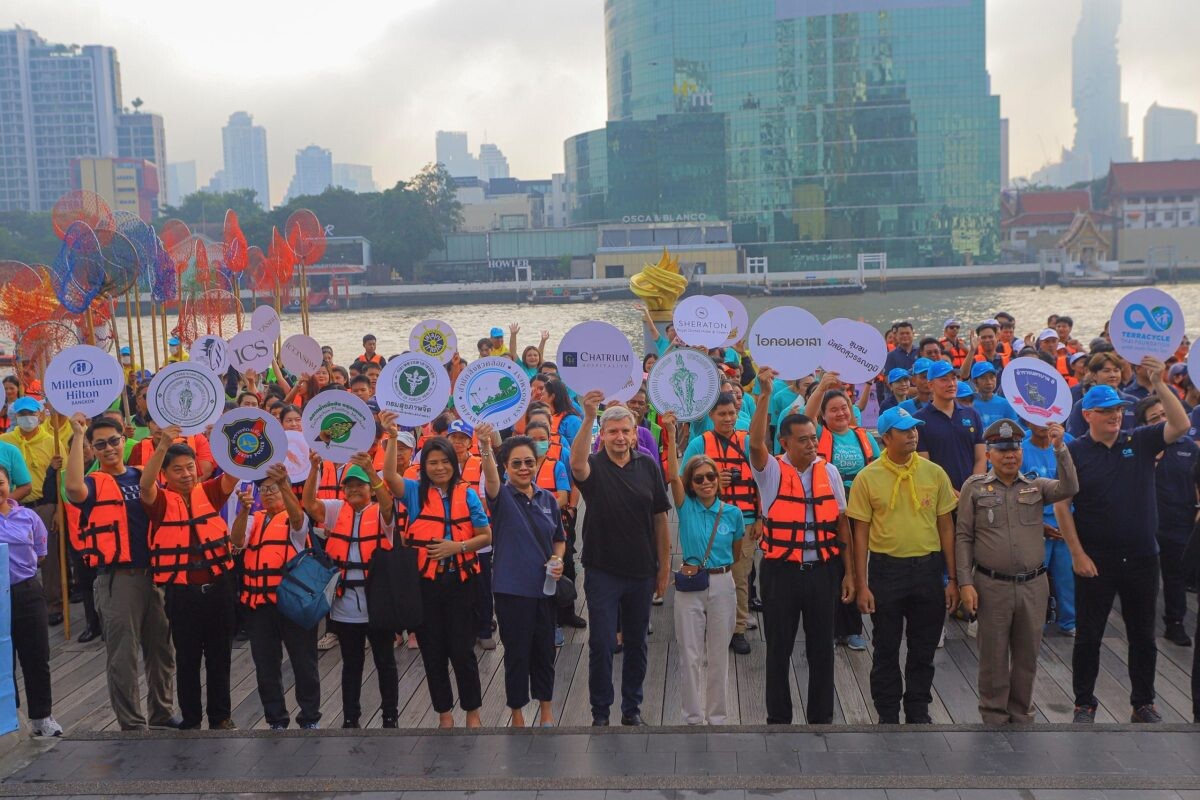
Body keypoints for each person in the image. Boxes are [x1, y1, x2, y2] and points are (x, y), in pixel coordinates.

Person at [1059, 358, 1190, 724]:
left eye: (1118, 409)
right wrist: (1077, 553)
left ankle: (1143, 703)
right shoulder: (1075, 452)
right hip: (1096, 559)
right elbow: (1062, 506)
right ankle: (1084, 703)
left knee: (1143, 637)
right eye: (1106, 411)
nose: (1115, 415)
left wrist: (1159, 383)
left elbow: (1181, 424)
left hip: (1143, 557)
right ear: (1088, 415)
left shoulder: (1141, 440)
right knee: (1088, 637)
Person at [749, 368, 854, 724]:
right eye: (803, 440)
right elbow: (754, 444)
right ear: (785, 443)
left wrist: (850, 574)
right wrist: (763, 395)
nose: (811, 443)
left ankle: (821, 718)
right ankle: (779, 719)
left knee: (822, 649)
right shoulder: (772, 473)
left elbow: (842, 525)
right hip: (781, 573)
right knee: (778, 649)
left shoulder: (830, 472)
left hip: (823, 570)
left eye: (814, 438)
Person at [956, 420, 1078, 724]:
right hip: (991, 584)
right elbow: (964, 537)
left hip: (1033, 586)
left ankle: (1022, 715)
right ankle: (994, 716)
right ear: (990, 454)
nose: (1010, 455)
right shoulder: (974, 487)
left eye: (1015, 449)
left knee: (1027, 658)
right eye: (1002, 450)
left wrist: (1060, 449)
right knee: (993, 658)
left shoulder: (1036, 485)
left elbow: (1070, 487)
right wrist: (965, 583)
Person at [65, 414, 177, 731]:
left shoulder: (141, 475)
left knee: (161, 650)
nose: (109, 448)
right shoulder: (93, 483)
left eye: (113, 441)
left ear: (123, 440)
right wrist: (76, 435)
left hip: (154, 574)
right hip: (118, 578)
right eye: (100, 444)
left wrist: (165, 443)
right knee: (123, 655)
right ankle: (131, 722)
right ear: (93, 449)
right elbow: (72, 487)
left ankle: (162, 712)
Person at [849, 406, 958, 724]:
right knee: (885, 645)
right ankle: (886, 710)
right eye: (904, 430)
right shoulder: (867, 477)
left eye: (914, 428)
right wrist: (862, 583)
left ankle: (918, 707)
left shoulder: (934, 472)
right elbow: (860, 533)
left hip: (927, 568)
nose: (912, 434)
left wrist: (951, 577)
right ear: (886, 438)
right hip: (886, 570)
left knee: (924, 647)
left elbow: (946, 527)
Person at [570, 393, 670, 727]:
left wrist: (663, 569)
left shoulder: (648, 465)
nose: (620, 437)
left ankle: (631, 708)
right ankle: (601, 712)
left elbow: (660, 518)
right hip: (602, 570)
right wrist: (587, 418)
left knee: (637, 644)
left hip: (642, 569)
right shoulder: (594, 467)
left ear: (634, 431)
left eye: (625, 431)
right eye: (612, 432)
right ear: (603, 436)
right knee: (600, 643)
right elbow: (577, 465)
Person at [384, 431, 491, 728]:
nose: (440, 467)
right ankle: (444, 714)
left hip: (461, 582)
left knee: (462, 650)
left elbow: (486, 536)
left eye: (445, 461)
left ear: (454, 464)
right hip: (426, 585)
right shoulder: (415, 493)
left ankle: (473, 712)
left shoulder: (467, 494)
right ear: (423, 466)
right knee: (433, 653)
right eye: (433, 462)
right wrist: (392, 438)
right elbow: (390, 475)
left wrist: (458, 547)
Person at [140, 427, 240, 730]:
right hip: (182, 593)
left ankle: (221, 716)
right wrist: (164, 446)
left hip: (219, 588)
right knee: (187, 659)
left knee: (220, 657)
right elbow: (145, 485)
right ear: (166, 474)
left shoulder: (209, 492)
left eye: (190, 467)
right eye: (178, 469)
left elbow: (234, 473)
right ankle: (192, 719)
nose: (186, 474)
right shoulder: (159, 502)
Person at [476, 423, 564, 727]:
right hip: (512, 590)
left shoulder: (548, 499)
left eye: (529, 461)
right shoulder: (501, 497)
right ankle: (516, 712)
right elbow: (490, 477)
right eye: (517, 463)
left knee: (544, 651)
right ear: (506, 467)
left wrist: (558, 558)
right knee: (516, 654)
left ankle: (547, 711)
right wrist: (486, 447)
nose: (524, 468)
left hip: (545, 588)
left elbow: (560, 538)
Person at [302, 450, 398, 728]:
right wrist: (313, 469)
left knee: (385, 662)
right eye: (349, 485)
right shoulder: (335, 510)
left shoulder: (382, 511)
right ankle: (350, 718)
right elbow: (309, 503)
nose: (354, 489)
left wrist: (370, 471)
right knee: (351, 664)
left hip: (377, 603)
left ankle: (390, 717)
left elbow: (390, 508)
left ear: (370, 487)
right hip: (344, 605)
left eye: (360, 485)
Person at [662, 411, 742, 725]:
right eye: (699, 479)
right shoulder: (687, 506)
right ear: (691, 484)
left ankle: (718, 716)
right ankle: (693, 716)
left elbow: (735, 552)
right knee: (690, 653)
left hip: (723, 582)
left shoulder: (733, 513)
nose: (706, 482)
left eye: (711, 477)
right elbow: (671, 476)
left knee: (719, 652)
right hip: (691, 584)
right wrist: (670, 434)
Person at [232, 464, 320, 730]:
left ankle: (309, 717)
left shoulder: (295, 519)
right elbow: (237, 542)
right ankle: (275, 718)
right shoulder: (254, 518)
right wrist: (244, 509)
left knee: (304, 661)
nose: (268, 493)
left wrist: (284, 484)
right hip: (259, 605)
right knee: (265, 665)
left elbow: (298, 522)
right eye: (264, 489)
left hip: (292, 602)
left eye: (273, 488)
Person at [682, 392, 760, 655]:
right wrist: (715, 485)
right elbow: (684, 481)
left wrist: (760, 517)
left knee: (739, 576)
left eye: (732, 413)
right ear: (711, 416)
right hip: (707, 517)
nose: (728, 419)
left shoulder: (748, 442)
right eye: (722, 414)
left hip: (745, 517)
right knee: (708, 572)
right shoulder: (699, 444)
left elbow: (763, 480)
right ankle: (706, 621)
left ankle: (737, 628)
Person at [804, 379, 879, 651]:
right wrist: (822, 387)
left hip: (860, 507)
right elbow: (806, 416)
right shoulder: (820, 435)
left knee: (858, 564)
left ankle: (853, 628)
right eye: (833, 409)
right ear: (823, 415)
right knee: (832, 566)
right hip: (828, 507)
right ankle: (831, 627)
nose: (841, 413)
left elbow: (879, 468)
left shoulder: (864, 436)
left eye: (844, 407)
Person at [0, 464, 60, 736]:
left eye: (0, 482)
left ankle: (42, 717)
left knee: (36, 655)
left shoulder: (28, 517)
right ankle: (10, 718)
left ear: (8, 484)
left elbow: (41, 554)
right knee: (3, 661)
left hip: (26, 591)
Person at [1135, 395, 1200, 647]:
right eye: (1155, 418)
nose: (1162, 420)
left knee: (1175, 577)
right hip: (1146, 524)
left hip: (1179, 522)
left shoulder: (1190, 447)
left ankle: (1175, 624)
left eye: (1165, 414)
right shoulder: (1139, 446)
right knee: (1144, 579)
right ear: (1144, 424)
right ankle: (1141, 625)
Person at [0, 396, 68, 623]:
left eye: (30, 413)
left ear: (39, 414)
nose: (26, 418)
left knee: (47, 557)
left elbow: (64, 480)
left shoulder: (52, 441)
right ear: (14, 417)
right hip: (10, 508)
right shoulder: (6, 440)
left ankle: (53, 602)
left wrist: (59, 509)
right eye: (21, 414)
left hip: (43, 505)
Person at [1020, 422, 1078, 636]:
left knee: (1067, 576)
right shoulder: (1021, 450)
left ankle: (1069, 621)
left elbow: (1076, 481)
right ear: (1027, 421)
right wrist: (1037, 524)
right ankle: (1036, 622)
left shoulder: (1068, 443)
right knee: (1035, 578)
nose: (1043, 425)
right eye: (1036, 419)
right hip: (1035, 526)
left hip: (1065, 524)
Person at [915, 360, 986, 491]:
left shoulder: (972, 414)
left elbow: (981, 458)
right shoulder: (920, 420)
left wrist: (972, 490)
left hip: (973, 494)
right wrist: (952, 494)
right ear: (931, 385)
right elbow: (925, 467)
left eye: (953, 378)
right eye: (944, 380)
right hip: (939, 498)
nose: (951, 384)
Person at [969, 363, 1019, 429]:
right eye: (983, 378)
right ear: (975, 381)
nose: (989, 382)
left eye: (992, 377)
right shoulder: (969, 404)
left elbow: (1015, 429)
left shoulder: (1005, 404)